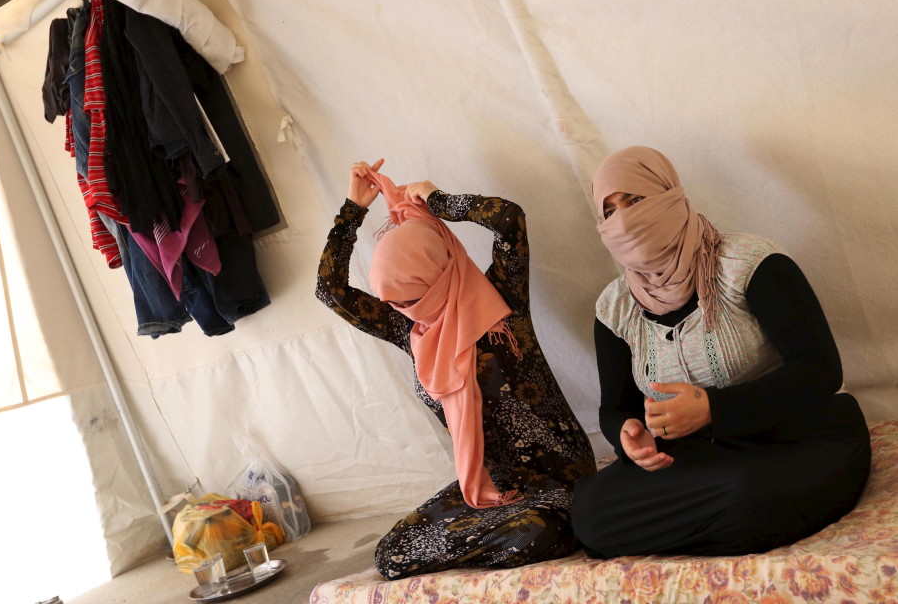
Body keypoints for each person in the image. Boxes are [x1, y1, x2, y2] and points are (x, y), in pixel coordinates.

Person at [570, 146, 871, 558]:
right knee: (590, 513)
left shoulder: (750, 264)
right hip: (704, 457)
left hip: (798, 439)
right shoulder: (615, 307)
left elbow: (820, 371)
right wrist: (628, 435)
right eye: (610, 212)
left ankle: (718, 523)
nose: (624, 219)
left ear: (670, 196)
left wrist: (714, 408)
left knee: (747, 495)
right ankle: (735, 525)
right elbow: (614, 407)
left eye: (635, 200)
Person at [316, 159, 595, 579]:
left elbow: (508, 219)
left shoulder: (503, 301)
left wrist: (438, 200)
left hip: (559, 480)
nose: (406, 311)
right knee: (392, 554)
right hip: (491, 486)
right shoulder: (410, 329)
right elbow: (329, 290)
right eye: (396, 302)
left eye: (412, 298)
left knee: (535, 532)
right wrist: (352, 209)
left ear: (440, 272)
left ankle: (501, 537)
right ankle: (491, 536)